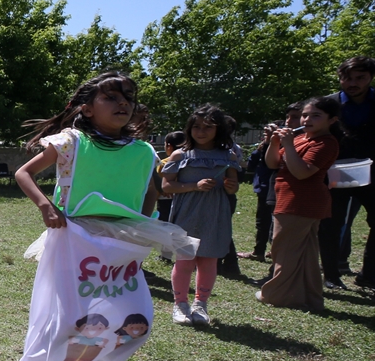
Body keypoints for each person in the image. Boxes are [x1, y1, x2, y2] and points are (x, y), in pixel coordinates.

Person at [16, 72, 159, 228]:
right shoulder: (71, 142)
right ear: (88, 110)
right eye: (111, 97)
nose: (123, 102)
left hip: (124, 242)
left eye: (129, 97)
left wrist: (142, 224)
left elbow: (150, 189)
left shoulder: (143, 151)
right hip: (74, 237)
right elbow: (24, 173)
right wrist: (46, 207)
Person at [256, 96, 343, 312]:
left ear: (332, 120)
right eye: (305, 115)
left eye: (316, 116)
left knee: (285, 250)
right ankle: (309, 297)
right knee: (305, 253)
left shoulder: (326, 143)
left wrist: (287, 144)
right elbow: (273, 163)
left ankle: (275, 294)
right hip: (288, 199)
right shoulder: (301, 138)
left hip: (301, 203)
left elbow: (302, 172)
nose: (307, 120)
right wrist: (274, 143)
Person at [161, 105, 241, 325]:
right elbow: (167, 186)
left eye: (208, 127)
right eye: (196, 126)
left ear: (219, 130)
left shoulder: (228, 156)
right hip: (188, 212)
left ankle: (200, 305)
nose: (201, 131)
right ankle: (180, 305)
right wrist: (194, 185)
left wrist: (230, 185)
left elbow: (232, 188)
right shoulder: (180, 154)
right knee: (185, 260)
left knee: (208, 261)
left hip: (215, 213)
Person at [320, 57, 375, 289]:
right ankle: (331, 275)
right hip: (335, 173)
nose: (352, 83)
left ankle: (369, 276)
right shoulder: (327, 104)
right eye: (347, 78)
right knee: (330, 223)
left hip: (371, 174)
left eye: (360, 78)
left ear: (370, 78)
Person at [242, 102, 303, 263]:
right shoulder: (278, 141)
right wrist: (270, 141)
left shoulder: (302, 141)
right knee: (263, 222)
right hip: (266, 187)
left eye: (295, 117)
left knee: (279, 229)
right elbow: (267, 163)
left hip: (290, 192)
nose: (289, 121)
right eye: (287, 117)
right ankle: (261, 251)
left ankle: (277, 257)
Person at [154, 131, 185, 225]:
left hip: (165, 201)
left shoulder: (163, 164)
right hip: (185, 200)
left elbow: (157, 185)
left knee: (166, 228)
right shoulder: (189, 162)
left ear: (169, 146)